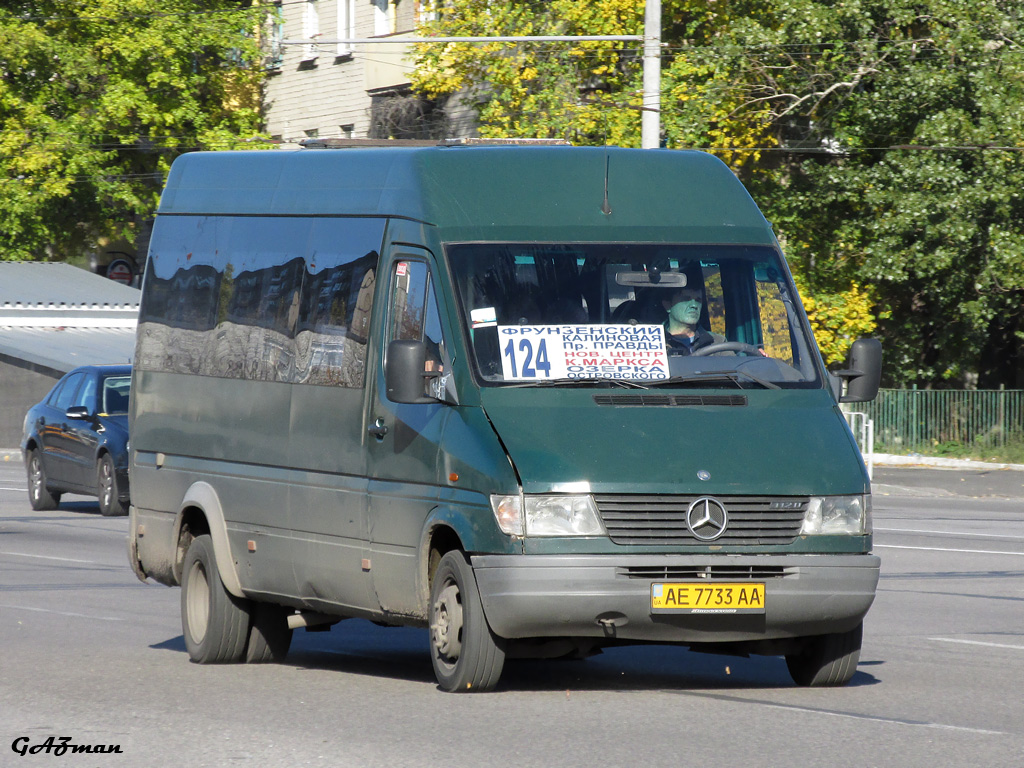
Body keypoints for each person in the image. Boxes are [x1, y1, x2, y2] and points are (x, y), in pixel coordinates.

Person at [661, 284, 723, 355]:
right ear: (668, 305)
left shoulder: (717, 343)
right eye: (686, 299)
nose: (694, 305)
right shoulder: (653, 344)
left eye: (698, 300)